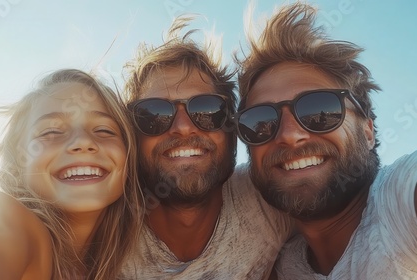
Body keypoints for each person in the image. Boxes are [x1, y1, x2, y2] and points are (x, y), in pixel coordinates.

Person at [232, 2, 417, 279]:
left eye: (318, 110)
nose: (289, 134)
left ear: (368, 131)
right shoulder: (281, 264)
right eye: (259, 122)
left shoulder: (404, 205)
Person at [120, 16, 291, 279]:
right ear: (131, 134)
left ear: (232, 128)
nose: (183, 127)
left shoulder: (268, 200)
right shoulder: (107, 223)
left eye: (207, 110)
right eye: (153, 114)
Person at [0, 69, 143, 279]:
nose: (83, 141)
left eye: (104, 130)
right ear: (17, 161)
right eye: (51, 132)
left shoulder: (124, 267)